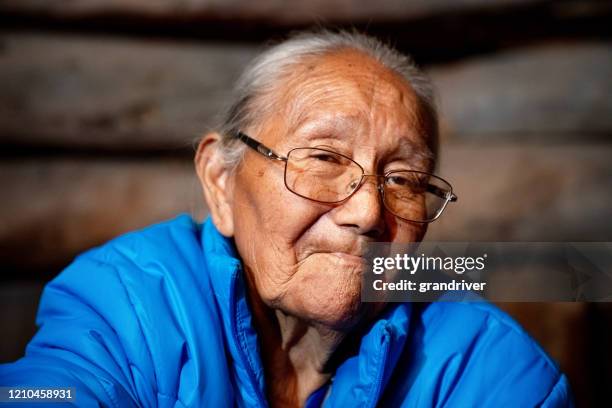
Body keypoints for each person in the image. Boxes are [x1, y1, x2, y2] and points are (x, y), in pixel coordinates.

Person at [0, 30, 572, 407]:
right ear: (221, 183)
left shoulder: (490, 366)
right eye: (323, 158)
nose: (368, 212)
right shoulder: (126, 301)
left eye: (402, 180)